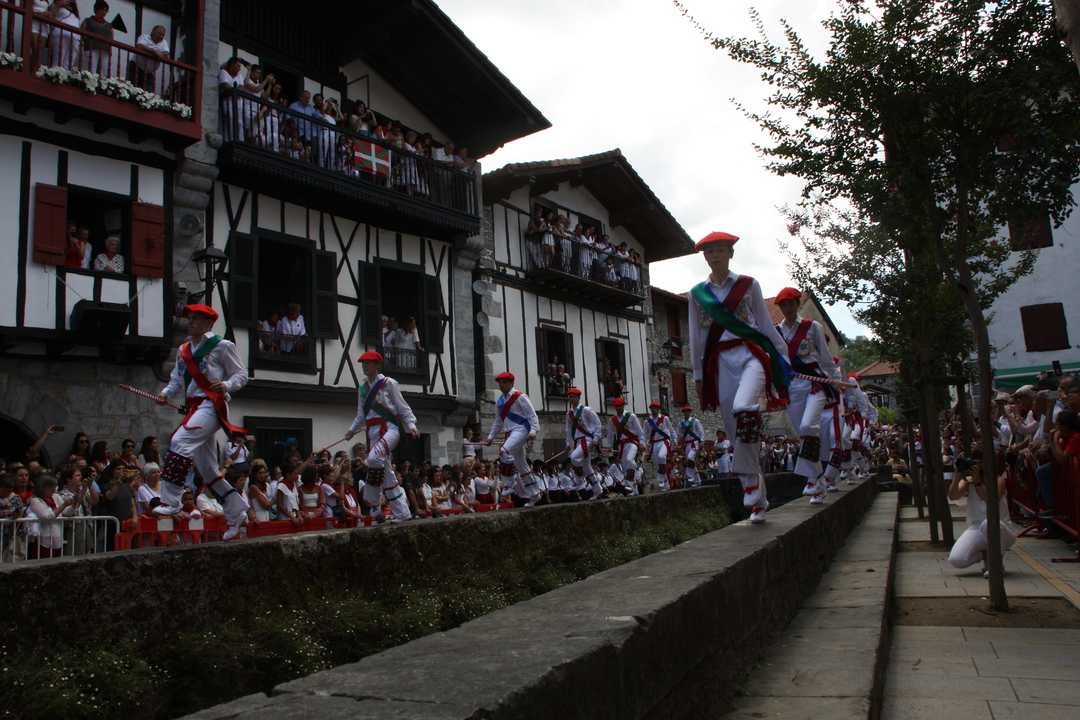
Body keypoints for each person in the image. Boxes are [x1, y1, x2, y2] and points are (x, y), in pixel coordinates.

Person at [688, 231, 791, 523]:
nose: (715, 256)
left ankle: (750, 482)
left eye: (720, 250)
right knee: (734, 429)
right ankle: (758, 498)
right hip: (719, 362)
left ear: (730, 253)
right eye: (710, 252)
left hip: (751, 355)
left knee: (745, 407)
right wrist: (698, 375)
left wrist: (783, 358)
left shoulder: (748, 284)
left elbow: (766, 326)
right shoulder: (697, 293)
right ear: (705, 257)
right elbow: (696, 337)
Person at [155, 304, 249, 541]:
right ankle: (236, 510)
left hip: (211, 404)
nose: (191, 322)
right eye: (189, 318)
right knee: (207, 469)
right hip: (193, 408)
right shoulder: (183, 349)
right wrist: (166, 393)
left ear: (209, 323)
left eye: (196, 318)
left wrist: (226, 385)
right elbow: (177, 381)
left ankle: (170, 501)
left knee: (179, 441)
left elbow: (241, 375)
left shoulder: (222, 345)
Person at [774, 286, 842, 504]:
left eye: (791, 303)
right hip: (792, 387)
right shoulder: (776, 332)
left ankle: (812, 479)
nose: (787, 308)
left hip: (815, 384)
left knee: (808, 426)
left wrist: (835, 383)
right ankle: (818, 482)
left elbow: (826, 358)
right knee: (803, 435)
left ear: (797, 304)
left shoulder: (812, 326)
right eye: (783, 305)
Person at [343, 351, 419, 523]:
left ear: (378, 365)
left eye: (368, 363)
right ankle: (402, 513)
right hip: (372, 431)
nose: (365, 366)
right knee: (387, 473)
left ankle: (375, 501)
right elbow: (361, 415)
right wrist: (352, 430)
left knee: (373, 458)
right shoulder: (362, 388)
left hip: (390, 427)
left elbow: (402, 407)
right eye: (363, 363)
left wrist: (412, 425)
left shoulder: (388, 383)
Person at [948, 457, 1016, 577]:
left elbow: (991, 501)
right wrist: (957, 476)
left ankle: (996, 565)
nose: (977, 467)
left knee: (987, 523)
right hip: (976, 527)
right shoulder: (969, 481)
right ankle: (986, 555)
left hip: (1002, 529)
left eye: (979, 463)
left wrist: (978, 481)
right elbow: (953, 496)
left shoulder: (998, 480)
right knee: (957, 560)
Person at [485, 372, 542, 506]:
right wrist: (491, 436)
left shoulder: (520, 397)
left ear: (512, 383)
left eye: (504, 382)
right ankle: (534, 494)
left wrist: (533, 431)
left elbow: (532, 415)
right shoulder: (499, 401)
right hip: (509, 433)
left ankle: (510, 483)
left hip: (521, 430)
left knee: (504, 451)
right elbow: (498, 422)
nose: (502, 385)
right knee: (522, 465)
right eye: (500, 383)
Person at [565, 388, 603, 500]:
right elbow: (568, 429)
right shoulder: (569, 413)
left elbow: (597, 423)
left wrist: (596, 438)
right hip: (577, 440)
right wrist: (568, 443)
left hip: (587, 439)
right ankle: (597, 488)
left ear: (578, 398)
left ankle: (578, 478)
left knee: (574, 457)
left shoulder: (586, 410)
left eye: (574, 397)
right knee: (587, 466)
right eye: (570, 397)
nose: (572, 399)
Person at [606, 397, 644, 490]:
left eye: (619, 406)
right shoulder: (613, 420)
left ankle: (629, 484)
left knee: (629, 460)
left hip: (632, 442)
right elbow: (610, 433)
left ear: (623, 405)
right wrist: (610, 445)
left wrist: (641, 443)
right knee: (625, 465)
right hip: (621, 445)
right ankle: (634, 489)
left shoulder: (631, 416)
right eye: (616, 406)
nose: (618, 408)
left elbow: (639, 431)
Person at [644, 402, 676, 491]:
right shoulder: (647, 422)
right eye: (652, 408)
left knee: (661, 456)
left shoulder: (664, 419)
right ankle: (665, 484)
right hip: (654, 443)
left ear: (658, 409)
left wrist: (675, 441)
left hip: (664, 441)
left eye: (655, 408)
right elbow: (645, 435)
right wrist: (643, 445)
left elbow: (671, 431)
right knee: (657, 463)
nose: (653, 409)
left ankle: (661, 479)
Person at [132, 25, 170, 93]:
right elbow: (140, 46)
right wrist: (155, 52)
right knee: (132, 89)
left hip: (149, 73)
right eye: (159, 34)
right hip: (135, 68)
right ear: (153, 32)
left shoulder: (164, 42)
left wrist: (159, 54)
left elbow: (166, 53)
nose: (161, 37)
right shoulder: (144, 37)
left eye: (163, 35)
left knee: (148, 94)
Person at [79, 1, 113, 76]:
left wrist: (110, 49)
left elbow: (111, 38)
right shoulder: (88, 21)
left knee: (109, 72)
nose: (104, 12)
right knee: (92, 70)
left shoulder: (108, 25)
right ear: (96, 9)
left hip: (104, 50)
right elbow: (81, 33)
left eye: (106, 10)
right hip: (91, 48)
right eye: (102, 9)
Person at [46, 0, 79, 70]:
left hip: (75, 38)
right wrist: (60, 4)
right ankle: (54, 75)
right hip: (61, 34)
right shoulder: (57, 6)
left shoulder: (74, 14)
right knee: (58, 62)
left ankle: (65, 76)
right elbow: (50, 13)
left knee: (68, 65)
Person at [678, 406, 706, 488]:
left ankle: (690, 475)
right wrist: (675, 442)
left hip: (694, 442)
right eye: (684, 412)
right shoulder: (681, 424)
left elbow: (701, 431)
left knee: (690, 457)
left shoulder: (695, 421)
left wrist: (701, 441)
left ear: (690, 413)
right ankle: (697, 480)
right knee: (690, 461)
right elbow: (678, 434)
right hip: (687, 444)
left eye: (687, 412)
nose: (686, 413)